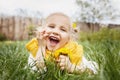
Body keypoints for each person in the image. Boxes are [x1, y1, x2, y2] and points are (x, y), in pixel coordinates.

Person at [26, 12, 98, 74]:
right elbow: (37, 71)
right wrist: (41, 47)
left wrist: (71, 67)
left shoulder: (72, 51)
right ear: (42, 30)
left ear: (69, 38)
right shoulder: (36, 47)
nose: (55, 32)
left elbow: (93, 69)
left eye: (63, 30)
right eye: (51, 26)